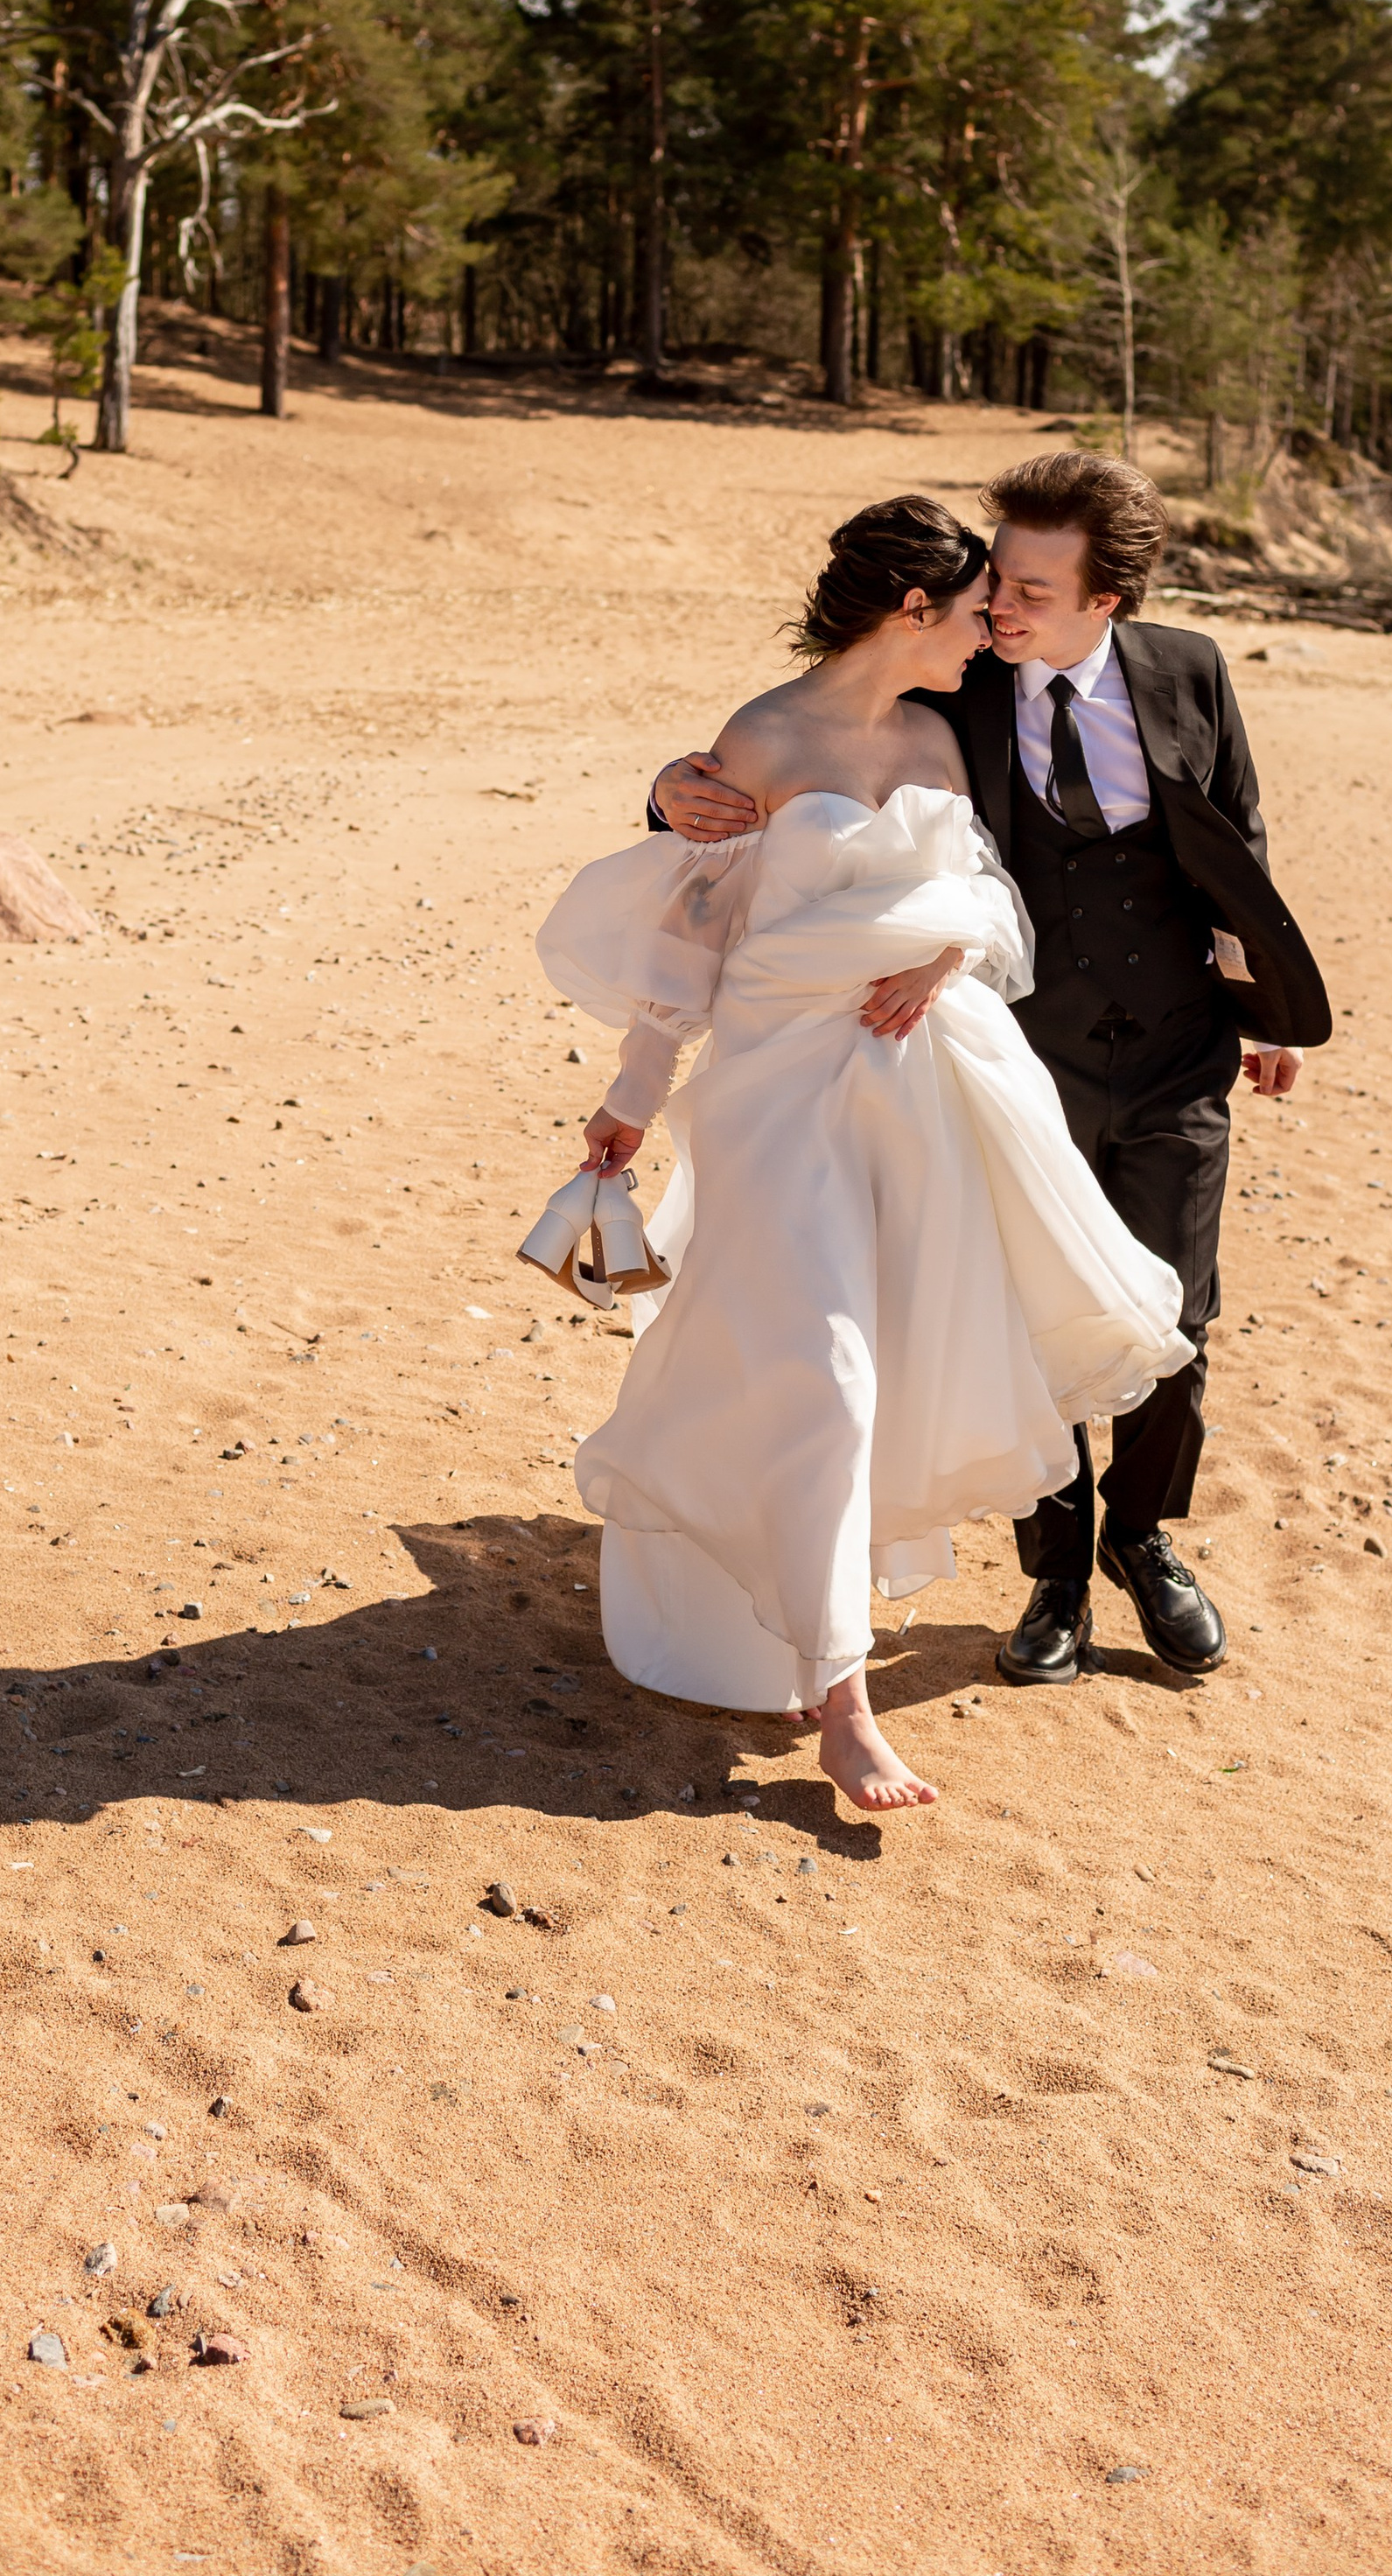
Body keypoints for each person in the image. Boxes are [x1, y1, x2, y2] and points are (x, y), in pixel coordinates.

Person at [536, 495, 1193, 1816]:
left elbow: (992, 892)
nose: (991, 634)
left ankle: (828, 1622)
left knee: (885, 1362)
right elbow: (692, 939)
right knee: (825, 1374)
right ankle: (845, 1706)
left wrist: (948, 946)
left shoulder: (948, 730)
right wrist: (631, 1096)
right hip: (782, 1105)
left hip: (928, 1105)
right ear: (912, 612)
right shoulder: (760, 741)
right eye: (970, 613)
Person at [652, 452, 1331, 1691]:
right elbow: (811, 744)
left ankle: (1145, 1534)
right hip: (1020, 1046)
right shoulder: (959, 687)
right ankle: (1057, 1574)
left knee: (1175, 1306)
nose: (1000, 605)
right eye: (994, 584)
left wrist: (1266, 1011)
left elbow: (1238, 840)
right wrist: (667, 792)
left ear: (1104, 598)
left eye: (1028, 586)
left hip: (1182, 1045)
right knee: (1033, 1304)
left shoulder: (1189, 671)